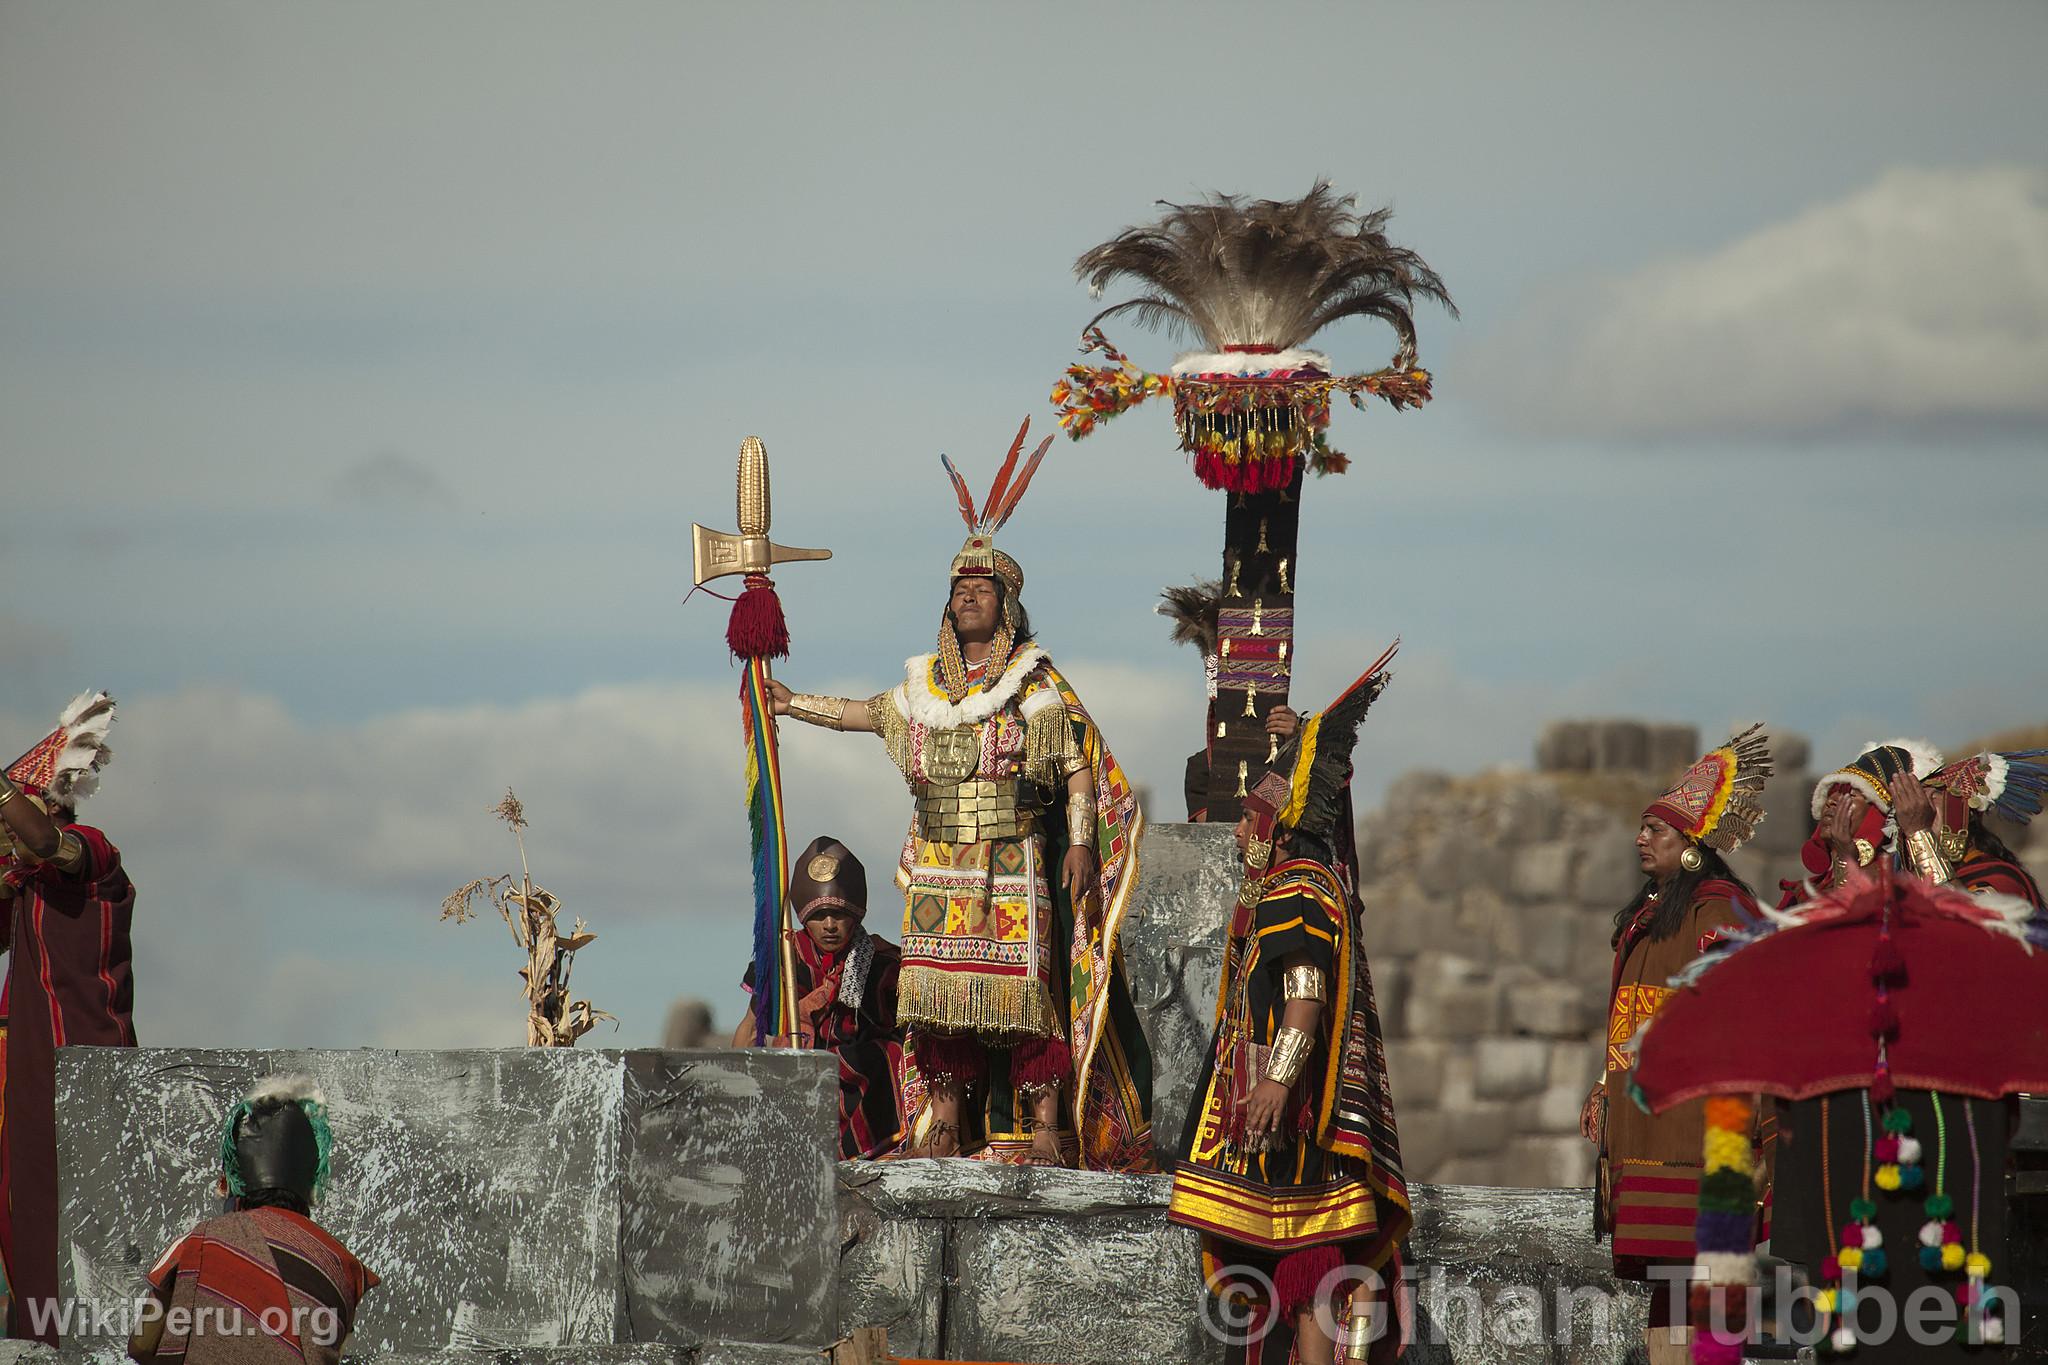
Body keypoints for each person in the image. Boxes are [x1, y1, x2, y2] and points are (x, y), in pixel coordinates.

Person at [766, 420, 1152, 1170]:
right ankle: (944, 1115)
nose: (969, 597)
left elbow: (1076, 763)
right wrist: (791, 703)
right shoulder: (923, 687)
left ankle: (1044, 1122)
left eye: (982, 589)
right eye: (960, 589)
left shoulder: (1033, 681)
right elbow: (862, 713)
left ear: (1007, 604)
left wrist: (1079, 843)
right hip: (941, 856)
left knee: (1023, 992)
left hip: (1010, 855)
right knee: (940, 995)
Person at [1170, 646, 1410, 1365]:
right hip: (1297, 1112)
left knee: (1308, 1271)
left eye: (1251, 821)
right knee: (1298, 1273)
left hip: (1295, 1116)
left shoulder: (1296, 887)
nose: (1242, 833)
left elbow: (1304, 994)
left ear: (1276, 829)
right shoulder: (1305, 884)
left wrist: (1276, 1080)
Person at [1583, 725, 1773, 1365]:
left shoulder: (1719, 911)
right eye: (1641, 828)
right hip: (1651, 1129)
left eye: (1655, 830)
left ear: (1691, 845)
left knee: (1707, 1275)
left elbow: (1742, 1013)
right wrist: (1605, 1088)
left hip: (1702, 1131)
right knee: (1669, 1280)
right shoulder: (1654, 914)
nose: (1641, 838)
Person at [0, 691, 134, 1344]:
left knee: (87, 1227)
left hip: (84, 1071)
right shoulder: (23, 881)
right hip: (29, 1072)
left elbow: (51, 846)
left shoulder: (91, 850)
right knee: (26, 1217)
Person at [130, 1077, 377, 1364]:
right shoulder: (344, 1267)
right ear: (310, 1182)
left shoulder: (197, 1243)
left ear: (233, 1181)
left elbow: (141, 1346)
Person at [734, 836, 906, 1159]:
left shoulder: (882, 963)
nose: (829, 925)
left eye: (838, 914)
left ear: (856, 915)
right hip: (795, 1072)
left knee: (890, 1055)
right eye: (819, 915)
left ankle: (869, 1150)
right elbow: (750, 1027)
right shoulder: (782, 959)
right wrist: (735, 1089)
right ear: (803, 917)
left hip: (864, 1080)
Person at [1779, 740, 1944, 906]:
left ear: (1877, 816)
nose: (1831, 802)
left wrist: (1846, 860)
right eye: (1831, 793)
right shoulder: (1802, 893)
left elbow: (1944, 907)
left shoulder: (1893, 879)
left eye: (1851, 795)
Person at [1898, 747, 2046, 908]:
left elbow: (1961, 914)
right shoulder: (1911, 884)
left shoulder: (2002, 878)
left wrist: (1919, 833)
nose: (1919, 813)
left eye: (1932, 798)